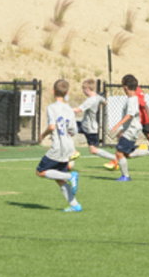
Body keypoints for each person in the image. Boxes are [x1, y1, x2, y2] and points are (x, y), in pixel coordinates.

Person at [36, 78, 82, 212]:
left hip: (58, 147)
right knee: (58, 178)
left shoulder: (52, 107)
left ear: (53, 91)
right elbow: (73, 131)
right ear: (66, 92)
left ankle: (71, 176)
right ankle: (75, 205)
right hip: (68, 146)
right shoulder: (69, 109)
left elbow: (51, 126)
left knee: (40, 172)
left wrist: (42, 135)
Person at [109, 74, 149, 182]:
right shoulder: (131, 99)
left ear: (125, 87)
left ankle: (126, 176)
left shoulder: (132, 99)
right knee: (127, 154)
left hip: (131, 130)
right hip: (131, 129)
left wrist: (117, 125)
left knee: (119, 153)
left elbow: (130, 115)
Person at [72, 78, 115, 162]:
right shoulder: (97, 97)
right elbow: (105, 101)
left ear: (87, 89)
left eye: (83, 89)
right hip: (87, 126)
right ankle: (72, 151)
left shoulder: (90, 100)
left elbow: (78, 110)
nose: (83, 91)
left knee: (93, 150)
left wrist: (64, 109)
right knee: (67, 128)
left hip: (89, 128)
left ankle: (115, 158)